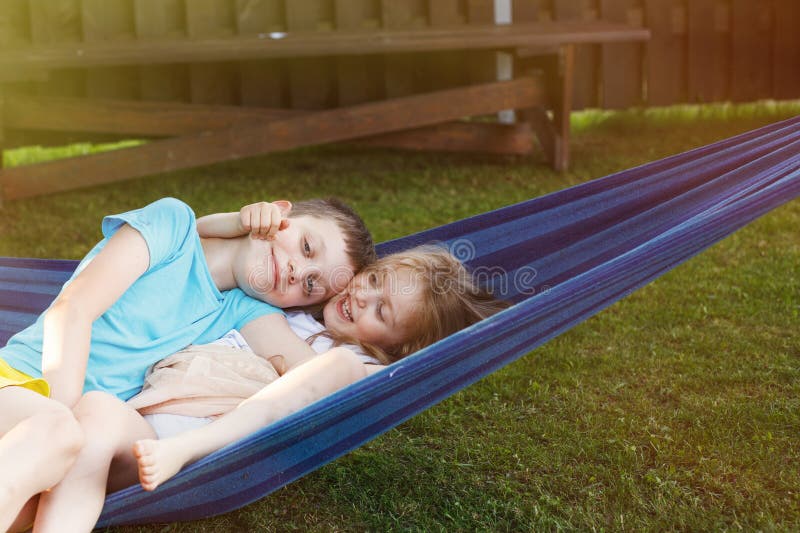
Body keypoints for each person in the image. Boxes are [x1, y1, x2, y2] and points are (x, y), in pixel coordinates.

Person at [21, 246, 508, 532]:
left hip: (200, 439)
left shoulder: (361, 365)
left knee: (333, 365)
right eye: (374, 280)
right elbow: (229, 255)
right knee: (93, 414)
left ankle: (182, 447)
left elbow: (327, 386)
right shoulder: (293, 304)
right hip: (141, 417)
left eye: (382, 313)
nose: (362, 297)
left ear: (402, 348)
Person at [0, 197, 375, 532]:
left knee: (94, 416)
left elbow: (314, 375)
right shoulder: (174, 225)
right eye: (307, 246)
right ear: (277, 212)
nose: (297, 272)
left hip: (85, 437)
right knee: (60, 435)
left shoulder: (246, 312)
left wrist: (385, 360)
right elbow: (73, 310)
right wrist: (58, 410)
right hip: (21, 385)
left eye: (311, 286)